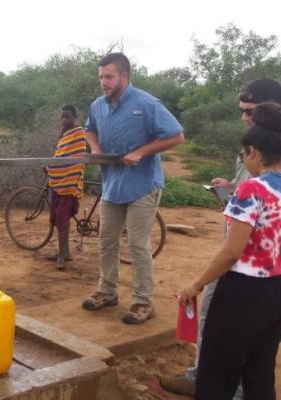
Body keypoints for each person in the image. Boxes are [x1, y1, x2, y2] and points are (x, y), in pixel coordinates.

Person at [160, 78, 281, 397]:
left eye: (245, 154)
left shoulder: (251, 189)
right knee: (260, 370)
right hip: (274, 290)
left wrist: (195, 283)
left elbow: (231, 252)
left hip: (240, 292)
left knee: (217, 372)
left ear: (254, 151)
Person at [81, 52, 184, 324]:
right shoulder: (98, 105)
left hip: (143, 185)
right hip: (112, 184)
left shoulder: (147, 103)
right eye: (101, 77)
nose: (104, 82)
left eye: (109, 77)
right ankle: (107, 291)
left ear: (124, 76)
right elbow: (89, 129)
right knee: (106, 240)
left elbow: (177, 135)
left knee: (137, 245)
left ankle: (143, 302)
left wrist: (142, 152)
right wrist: (96, 148)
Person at [46, 105, 86, 270]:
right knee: (58, 218)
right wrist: (51, 166)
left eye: (67, 117)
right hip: (58, 181)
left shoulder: (79, 133)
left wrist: (52, 167)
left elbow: (76, 158)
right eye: (62, 117)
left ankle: (62, 256)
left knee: (62, 218)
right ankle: (65, 252)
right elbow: (60, 155)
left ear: (75, 117)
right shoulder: (64, 133)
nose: (64, 120)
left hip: (70, 182)